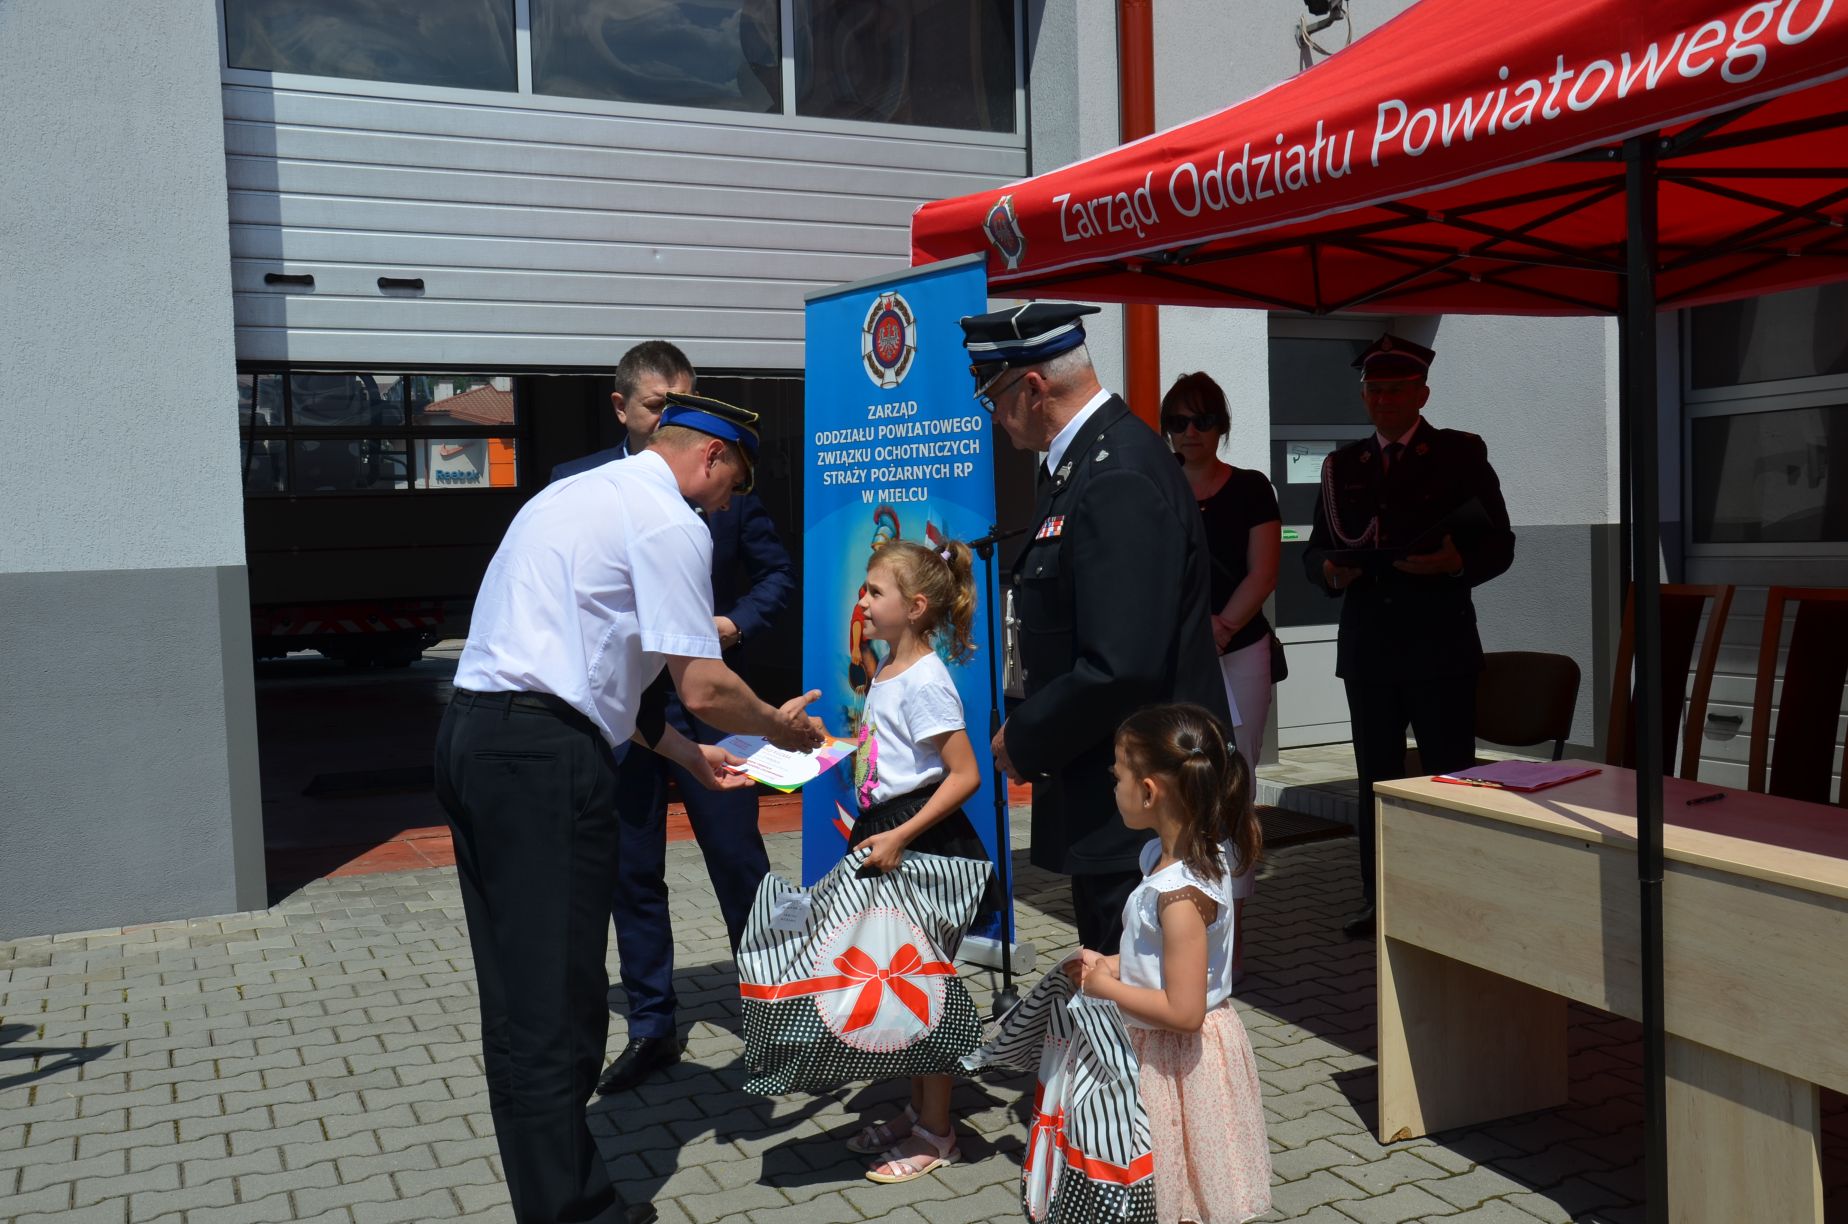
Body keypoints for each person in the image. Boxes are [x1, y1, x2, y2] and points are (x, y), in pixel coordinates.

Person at [436, 392, 824, 1224]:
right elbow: (705, 685)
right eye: (734, 486)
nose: (728, 506)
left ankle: (553, 1191)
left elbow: (607, 661)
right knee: (556, 1003)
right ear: (711, 459)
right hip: (542, 760)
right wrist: (776, 728)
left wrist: (689, 752)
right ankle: (573, 1210)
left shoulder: (576, 493)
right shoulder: (670, 522)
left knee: (516, 997)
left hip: (476, 737)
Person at [550, 342, 796, 1096]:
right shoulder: (578, 485)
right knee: (632, 872)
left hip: (711, 700)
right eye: (660, 404)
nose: (675, 414)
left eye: (685, 399)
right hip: (623, 710)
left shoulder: (728, 480)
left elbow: (777, 574)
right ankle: (653, 1026)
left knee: (738, 859)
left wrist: (728, 627)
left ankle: (776, 1017)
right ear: (622, 408)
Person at [961, 302, 1230, 954]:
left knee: (1133, 1002)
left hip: (1140, 797)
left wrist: (1026, 738)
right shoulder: (1084, 462)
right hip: (1111, 786)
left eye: (993, 397)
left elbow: (1121, 661)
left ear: (1032, 387)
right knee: (1118, 990)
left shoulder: (1118, 475)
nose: (993, 418)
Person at [1303, 334, 1516, 939]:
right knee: (1377, 782)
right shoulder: (1344, 465)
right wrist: (1325, 568)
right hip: (1371, 650)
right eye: (1374, 390)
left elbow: (1500, 544)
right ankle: (1382, 900)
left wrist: (1455, 563)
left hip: (1439, 648)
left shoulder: (1457, 455)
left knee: (1451, 778)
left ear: (1422, 393)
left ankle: (1457, 899)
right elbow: (1319, 543)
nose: (1384, 401)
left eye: (1396, 390)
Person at [1070, 703, 1272, 1224]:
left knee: (1177, 1189)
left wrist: (1105, 988)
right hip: (1169, 1047)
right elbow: (1163, 961)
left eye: (1118, 776)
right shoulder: (1175, 860)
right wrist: (1113, 963)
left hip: (1176, 1059)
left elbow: (1184, 1012)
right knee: (1172, 1188)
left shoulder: (1178, 895)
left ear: (1149, 791)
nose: (1113, 786)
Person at [833, 538, 993, 1185]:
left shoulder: (926, 677)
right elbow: (888, 754)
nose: (861, 601)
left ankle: (938, 1130)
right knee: (900, 989)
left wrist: (902, 836)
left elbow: (964, 774)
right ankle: (917, 1109)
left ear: (915, 604)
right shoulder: (888, 667)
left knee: (921, 991)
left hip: (920, 843)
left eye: (874, 591)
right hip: (889, 834)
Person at [1161, 372, 1281, 768]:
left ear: (1221, 427)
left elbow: (1263, 573)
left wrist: (1221, 628)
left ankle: (1235, 834)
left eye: (1203, 421)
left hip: (1240, 643)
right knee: (1179, 766)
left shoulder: (1252, 488)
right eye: (1179, 423)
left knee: (1237, 760)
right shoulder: (1153, 490)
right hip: (1175, 648)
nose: (1190, 431)